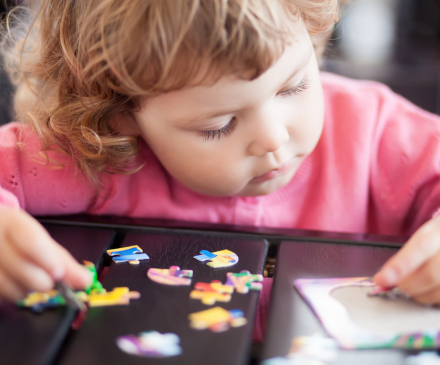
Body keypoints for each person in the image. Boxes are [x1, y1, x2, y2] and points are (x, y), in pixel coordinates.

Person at [1, 0, 440, 332]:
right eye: (220, 124)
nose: (274, 137)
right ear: (122, 115)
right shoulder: (103, 155)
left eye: (294, 87)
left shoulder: (374, 132)